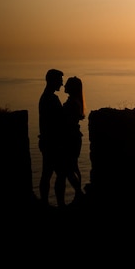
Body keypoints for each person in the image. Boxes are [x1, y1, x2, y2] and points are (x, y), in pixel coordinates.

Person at [38, 68, 65, 206]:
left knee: (47, 174)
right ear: (53, 81)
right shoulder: (51, 99)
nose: (61, 84)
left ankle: (45, 202)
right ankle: (60, 203)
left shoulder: (45, 97)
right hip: (53, 142)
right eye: (60, 81)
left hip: (47, 141)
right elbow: (60, 120)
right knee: (60, 174)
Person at [62, 76, 86, 205]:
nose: (64, 86)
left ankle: (79, 193)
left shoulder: (72, 103)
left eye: (67, 84)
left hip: (71, 138)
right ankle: (78, 195)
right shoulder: (75, 101)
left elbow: (67, 121)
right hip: (75, 137)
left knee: (68, 168)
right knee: (74, 166)